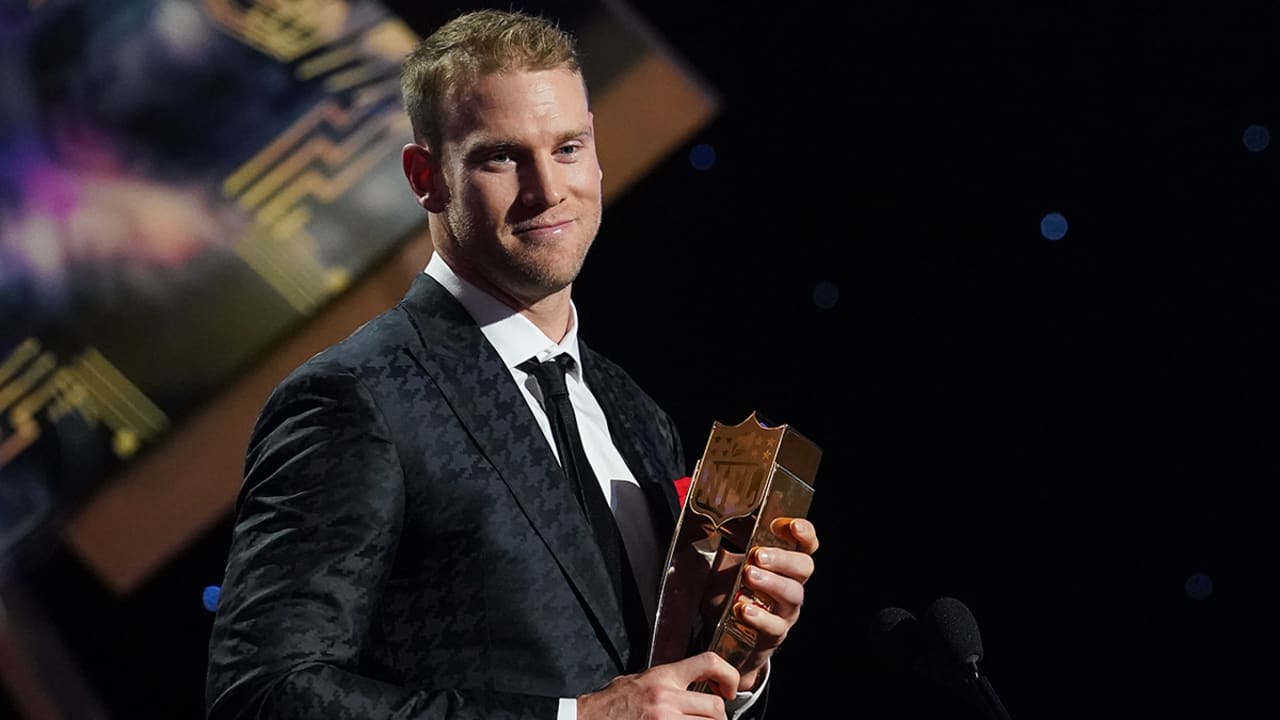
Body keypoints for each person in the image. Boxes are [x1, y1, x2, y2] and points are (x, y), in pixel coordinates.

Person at [205, 8, 820, 720]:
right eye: (501, 156)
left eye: (567, 148)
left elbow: (652, 696)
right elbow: (263, 696)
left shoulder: (636, 415)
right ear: (425, 177)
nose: (547, 189)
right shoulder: (355, 397)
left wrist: (737, 665)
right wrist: (576, 719)